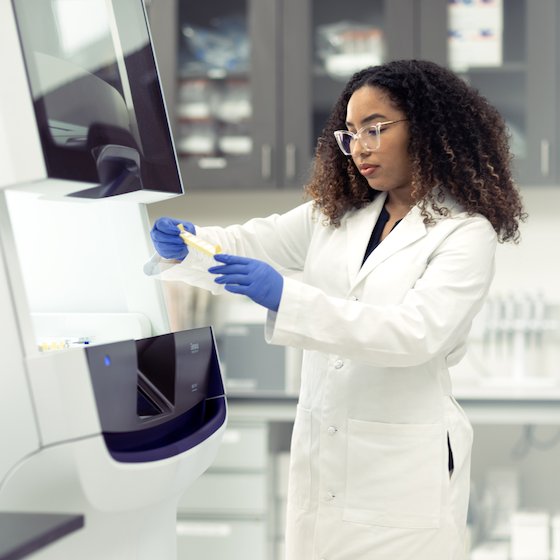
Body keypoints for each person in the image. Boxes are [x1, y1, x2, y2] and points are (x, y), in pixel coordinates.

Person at [146, 59, 525, 559]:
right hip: (325, 455)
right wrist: (188, 243)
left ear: (428, 128)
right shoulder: (336, 215)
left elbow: (413, 334)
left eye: (375, 128)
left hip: (401, 473)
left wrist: (288, 299)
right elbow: (246, 242)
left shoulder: (464, 232)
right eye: (350, 133)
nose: (360, 147)